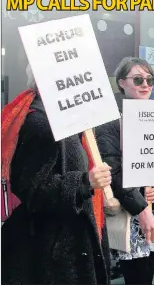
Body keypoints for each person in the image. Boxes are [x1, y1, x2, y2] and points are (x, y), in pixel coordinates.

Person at [1, 65, 112, 284]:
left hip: (63, 251)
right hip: (50, 257)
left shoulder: (66, 120)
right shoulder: (40, 123)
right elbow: (33, 190)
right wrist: (85, 182)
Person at [96, 57, 154, 284]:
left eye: (150, 79)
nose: (145, 84)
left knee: (147, 277)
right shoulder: (110, 119)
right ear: (121, 83)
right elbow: (114, 171)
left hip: (153, 212)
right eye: (138, 79)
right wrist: (141, 208)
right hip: (130, 214)